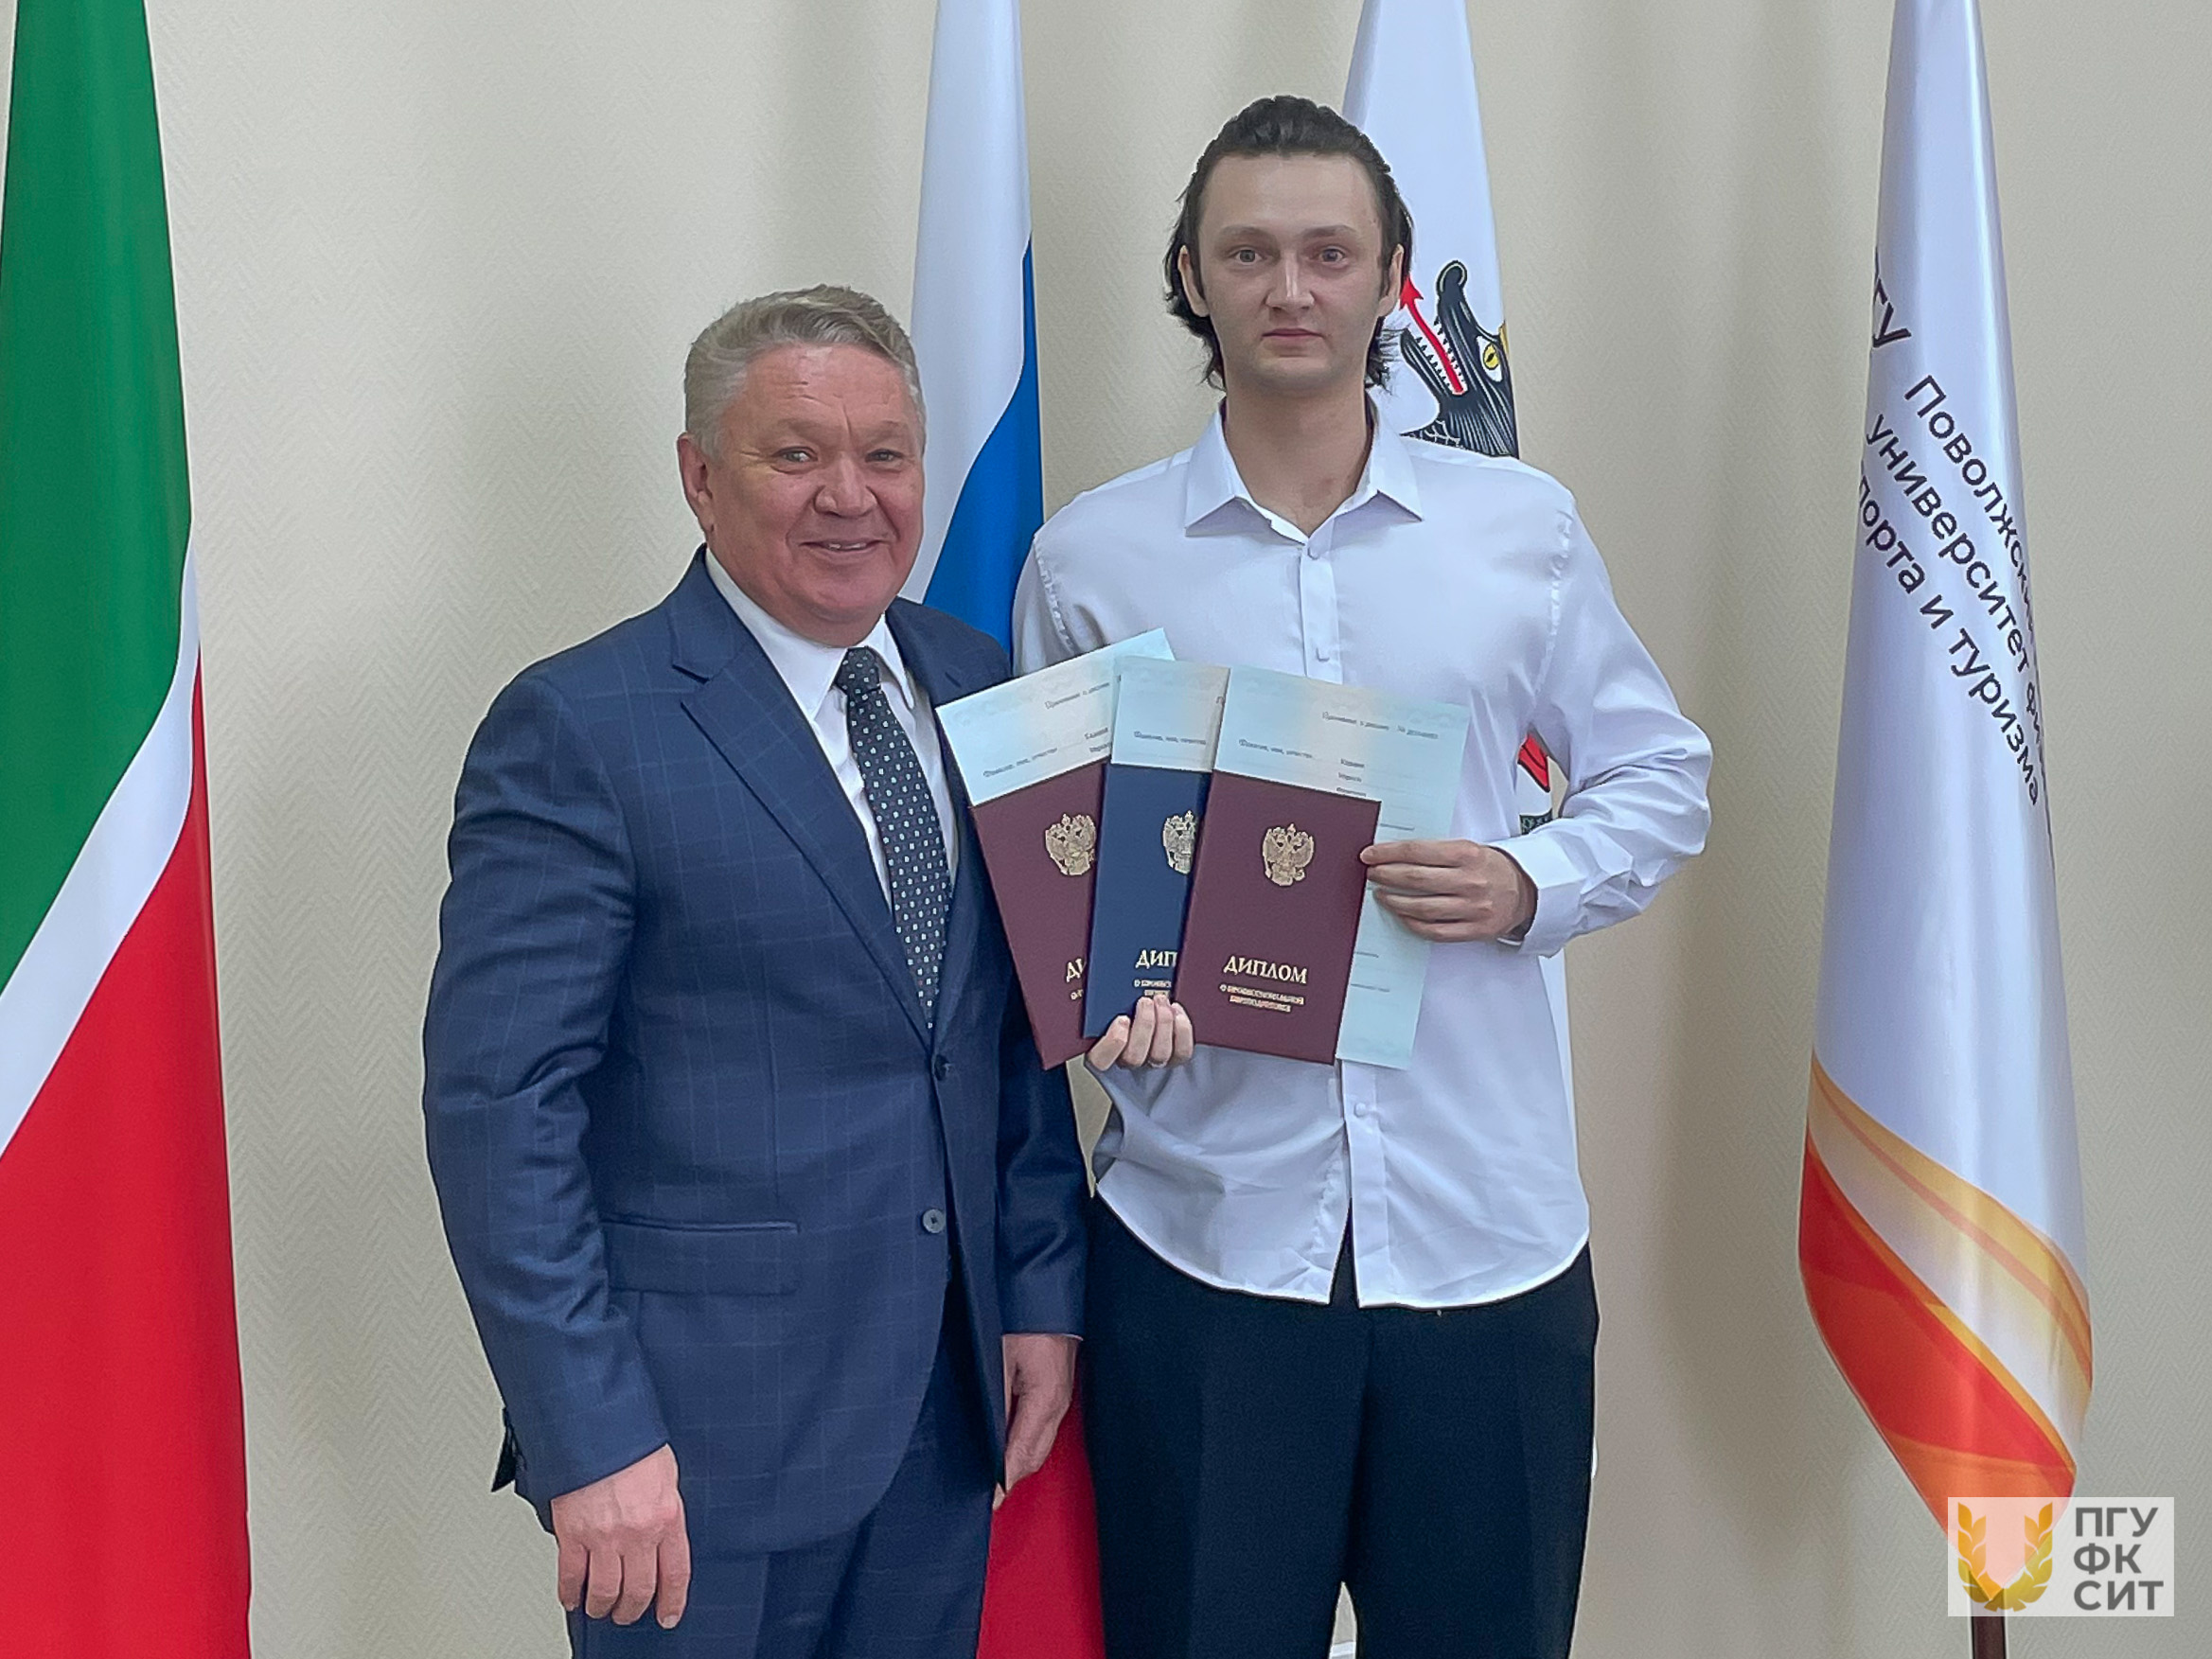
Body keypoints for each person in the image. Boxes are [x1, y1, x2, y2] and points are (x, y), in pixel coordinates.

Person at [1012, 97, 1713, 1659]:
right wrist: (1105, 992)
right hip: (1204, 1245)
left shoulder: (1519, 530)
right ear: (1189, 276)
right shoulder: (1090, 560)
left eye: (1328, 253)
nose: (1290, 288)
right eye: (1248, 253)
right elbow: (1062, 875)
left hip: (1486, 1241)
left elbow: (1661, 775)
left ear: (1392, 275)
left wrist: (1527, 878)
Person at [423, 286, 1104, 1658]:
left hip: (944, 1414)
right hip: (692, 1451)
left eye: (885, 454)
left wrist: (1037, 1286)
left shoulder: (979, 682)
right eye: (795, 454)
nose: (849, 495)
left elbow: (1004, 1029)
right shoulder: (579, 726)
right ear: (699, 476)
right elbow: (502, 1112)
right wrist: (589, 1435)